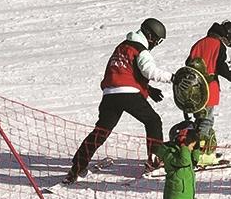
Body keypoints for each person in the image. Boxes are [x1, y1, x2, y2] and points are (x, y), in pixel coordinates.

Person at [64, 18, 172, 185]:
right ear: (150, 36)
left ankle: (77, 167)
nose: (155, 44)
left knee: (101, 131)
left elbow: (124, 72)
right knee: (153, 121)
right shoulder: (141, 50)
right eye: (157, 40)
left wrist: (148, 89)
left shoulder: (122, 47)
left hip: (109, 95)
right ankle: (155, 162)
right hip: (128, 94)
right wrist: (173, 77)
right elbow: (149, 71)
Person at [183, 22, 231, 166]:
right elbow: (224, 70)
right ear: (226, 37)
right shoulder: (218, 46)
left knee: (199, 121)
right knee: (206, 121)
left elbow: (188, 64)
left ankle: (195, 150)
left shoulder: (199, 43)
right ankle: (201, 156)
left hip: (192, 91)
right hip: (208, 90)